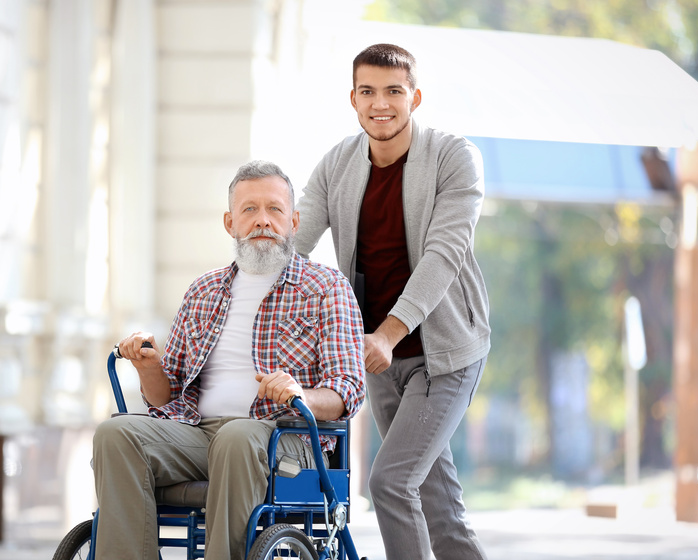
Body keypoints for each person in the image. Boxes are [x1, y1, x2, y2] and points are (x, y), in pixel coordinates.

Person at [92, 160, 366, 560]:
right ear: (230, 222)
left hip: (283, 438)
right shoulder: (203, 291)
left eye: (274, 209)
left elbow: (349, 388)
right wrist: (149, 367)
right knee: (115, 434)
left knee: (237, 438)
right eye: (249, 210)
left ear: (293, 220)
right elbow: (165, 397)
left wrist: (299, 393)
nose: (262, 221)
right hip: (200, 434)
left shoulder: (326, 288)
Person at [295, 43, 491, 560]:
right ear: (353, 99)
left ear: (415, 97)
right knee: (437, 503)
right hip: (378, 361)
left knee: (390, 483)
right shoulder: (337, 164)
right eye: (368, 92)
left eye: (393, 91)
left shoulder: (454, 158)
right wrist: (237, 292)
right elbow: (292, 243)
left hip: (445, 352)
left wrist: (388, 332)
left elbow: (442, 256)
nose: (380, 103)